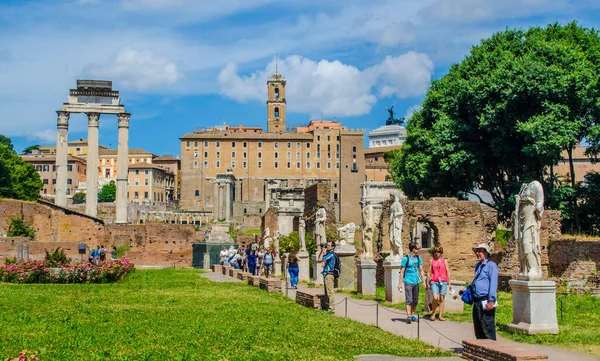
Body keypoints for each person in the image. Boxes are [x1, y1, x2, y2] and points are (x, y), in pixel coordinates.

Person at [463, 243, 499, 340]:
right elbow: (476, 281)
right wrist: (467, 289)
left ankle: (491, 349)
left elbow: (493, 284)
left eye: (480, 251)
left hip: (486, 299)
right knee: (478, 326)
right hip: (477, 300)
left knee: (487, 326)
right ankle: (481, 348)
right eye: (477, 251)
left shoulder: (491, 266)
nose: (478, 253)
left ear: (486, 253)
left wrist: (491, 300)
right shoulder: (478, 266)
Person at [514, 180, 544, 279]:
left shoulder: (535, 184)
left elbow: (540, 201)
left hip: (531, 215)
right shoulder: (523, 187)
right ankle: (524, 269)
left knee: (527, 242)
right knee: (522, 244)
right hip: (522, 217)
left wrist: (538, 209)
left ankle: (534, 268)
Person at [398, 242, 425, 324]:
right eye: (417, 248)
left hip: (416, 281)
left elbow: (421, 270)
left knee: (415, 300)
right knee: (409, 299)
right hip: (408, 281)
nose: (418, 250)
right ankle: (408, 316)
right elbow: (402, 271)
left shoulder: (418, 258)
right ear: (413, 249)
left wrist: (424, 281)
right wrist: (400, 283)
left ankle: (413, 315)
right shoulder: (405, 258)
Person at [427, 246, 451, 321]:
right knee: (435, 297)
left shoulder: (444, 261)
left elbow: (448, 272)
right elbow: (429, 272)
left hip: (443, 281)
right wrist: (427, 281)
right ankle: (433, 313)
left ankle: (440, 315)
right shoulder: (432, 261)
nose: (436, 253)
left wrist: (449, 284)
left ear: (441, 253)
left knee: (442, 298)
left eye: (438, 252)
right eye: (435, 252)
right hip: (434, 281)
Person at [318, 240, 336, 314]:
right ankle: (327, 306)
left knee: (330, 292)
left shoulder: (331, 254)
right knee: (326, 292)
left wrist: (322, 251)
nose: (327, 246)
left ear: (333, 247)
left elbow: (320, 259)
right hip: (326, 274)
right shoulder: (328, 254)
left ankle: (332, 309)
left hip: (329, 274)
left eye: (328, 245)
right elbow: (320, 259)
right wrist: (322, 250)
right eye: (327, 245)